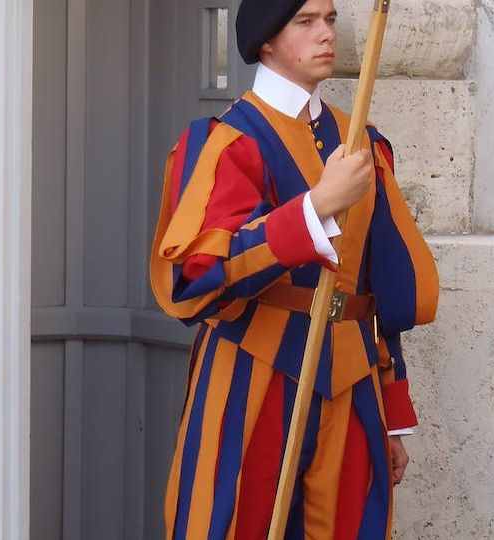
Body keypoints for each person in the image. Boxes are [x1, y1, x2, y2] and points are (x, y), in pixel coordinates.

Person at [149, 0, 438, 537]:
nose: (325, 34)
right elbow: (195, 277)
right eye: (305, 22)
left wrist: (393, 412)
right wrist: (316, 207)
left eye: (329, 19)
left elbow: (378, 292)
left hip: (351, 382)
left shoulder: (361, 142)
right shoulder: (227, 141)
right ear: (265, 40)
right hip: (252, 372)